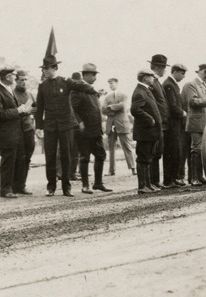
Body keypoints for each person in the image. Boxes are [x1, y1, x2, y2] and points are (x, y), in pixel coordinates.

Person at [34, 54, 100, 197]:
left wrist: (94, 90)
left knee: (66, 156)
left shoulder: (65, 81)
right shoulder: (43, 85)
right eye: (44, 68)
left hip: (66, 125)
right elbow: (39, 107)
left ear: (55, 68)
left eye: (47, 68)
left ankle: (66, 187)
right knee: (50, 157)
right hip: (50, 126)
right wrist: (38, 127)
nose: (45, 71)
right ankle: (51, 187)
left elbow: (80, 85)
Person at [0, 67, 34, 198]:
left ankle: (17, 187)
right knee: (8, 162)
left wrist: (24, 111)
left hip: (15, 133)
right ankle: (5, 190)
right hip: (7, 134)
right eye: (14, 76)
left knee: (18, 160)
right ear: (8, 77)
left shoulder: (8, 90)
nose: (15, 78)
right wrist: (18, 110)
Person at [72, 63, 112, 194]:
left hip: (95, 130)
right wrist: (79, 122)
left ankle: (98, 183)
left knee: (101, 155)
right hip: (84, 131)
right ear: (85, 75)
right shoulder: (78, 89)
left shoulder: (91, 90)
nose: (95, 77)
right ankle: (85, 185)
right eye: (93, 75)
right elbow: (72, 109)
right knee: (85, 157)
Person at [182, 64, 206, 186]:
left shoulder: (204, 85)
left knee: (202, 150)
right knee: (196, 149)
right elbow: (192, 102)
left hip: (205, 122)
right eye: (205, 72)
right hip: (196, 122)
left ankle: (200, 176)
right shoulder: (191, 84)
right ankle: (194, 178)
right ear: (199, 71)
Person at [131, 69, 162, 194]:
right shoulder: (140, 91)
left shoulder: (145, 90)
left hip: (149, 132)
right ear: (145, 78)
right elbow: (135, 109)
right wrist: (150, 119)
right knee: (143, 158)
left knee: (147, 158)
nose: (153, 78)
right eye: (151, 76)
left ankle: (148, 185)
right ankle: (142, 186)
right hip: (145, 132)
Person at [102, 77, 135, 176]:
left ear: (117, 83)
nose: (110, 85)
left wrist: (110, 107)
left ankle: (133, 168)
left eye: (112, 83)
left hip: (122, 124)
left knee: (127, 146)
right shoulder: (107, 97)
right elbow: (103, 110)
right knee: (111, 148)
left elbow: (123, 106)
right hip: (111, 125)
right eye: (109, 83)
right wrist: (114, 109)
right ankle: (111, 170)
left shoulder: (123, 95)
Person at [163, 64, 189, 187]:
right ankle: (169, 180)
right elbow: (172, 106)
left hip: (176, 124)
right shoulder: (169, 85)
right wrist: (184, 113)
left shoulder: (172, 84)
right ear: (174, 72)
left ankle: (173, 178)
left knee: (175, 151)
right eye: (182, 73)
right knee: (171, 151)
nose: (183, 76)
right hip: (172, 124)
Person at [147, 54, 171, 189]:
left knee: (157, 152)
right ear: (158, 67)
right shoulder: (151, 82)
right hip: (156, 123)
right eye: (164, 68)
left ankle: (155, 181)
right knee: (154, 152)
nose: (165, 71)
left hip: (161, 122)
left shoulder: (156, 82)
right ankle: (153, 181)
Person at [13, 70, 37, 194]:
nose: (24, 82)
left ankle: (22, 185)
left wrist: (33, 111)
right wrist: (25, 111)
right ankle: (14, 185)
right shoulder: (12, 94)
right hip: (16, 131)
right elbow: (11, 112)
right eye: (21, 80)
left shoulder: (30, 95)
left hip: (28, 130)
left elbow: (37, 108)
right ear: (16, 80)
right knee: (17, 158)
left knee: (27, 158)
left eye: (26, 79)